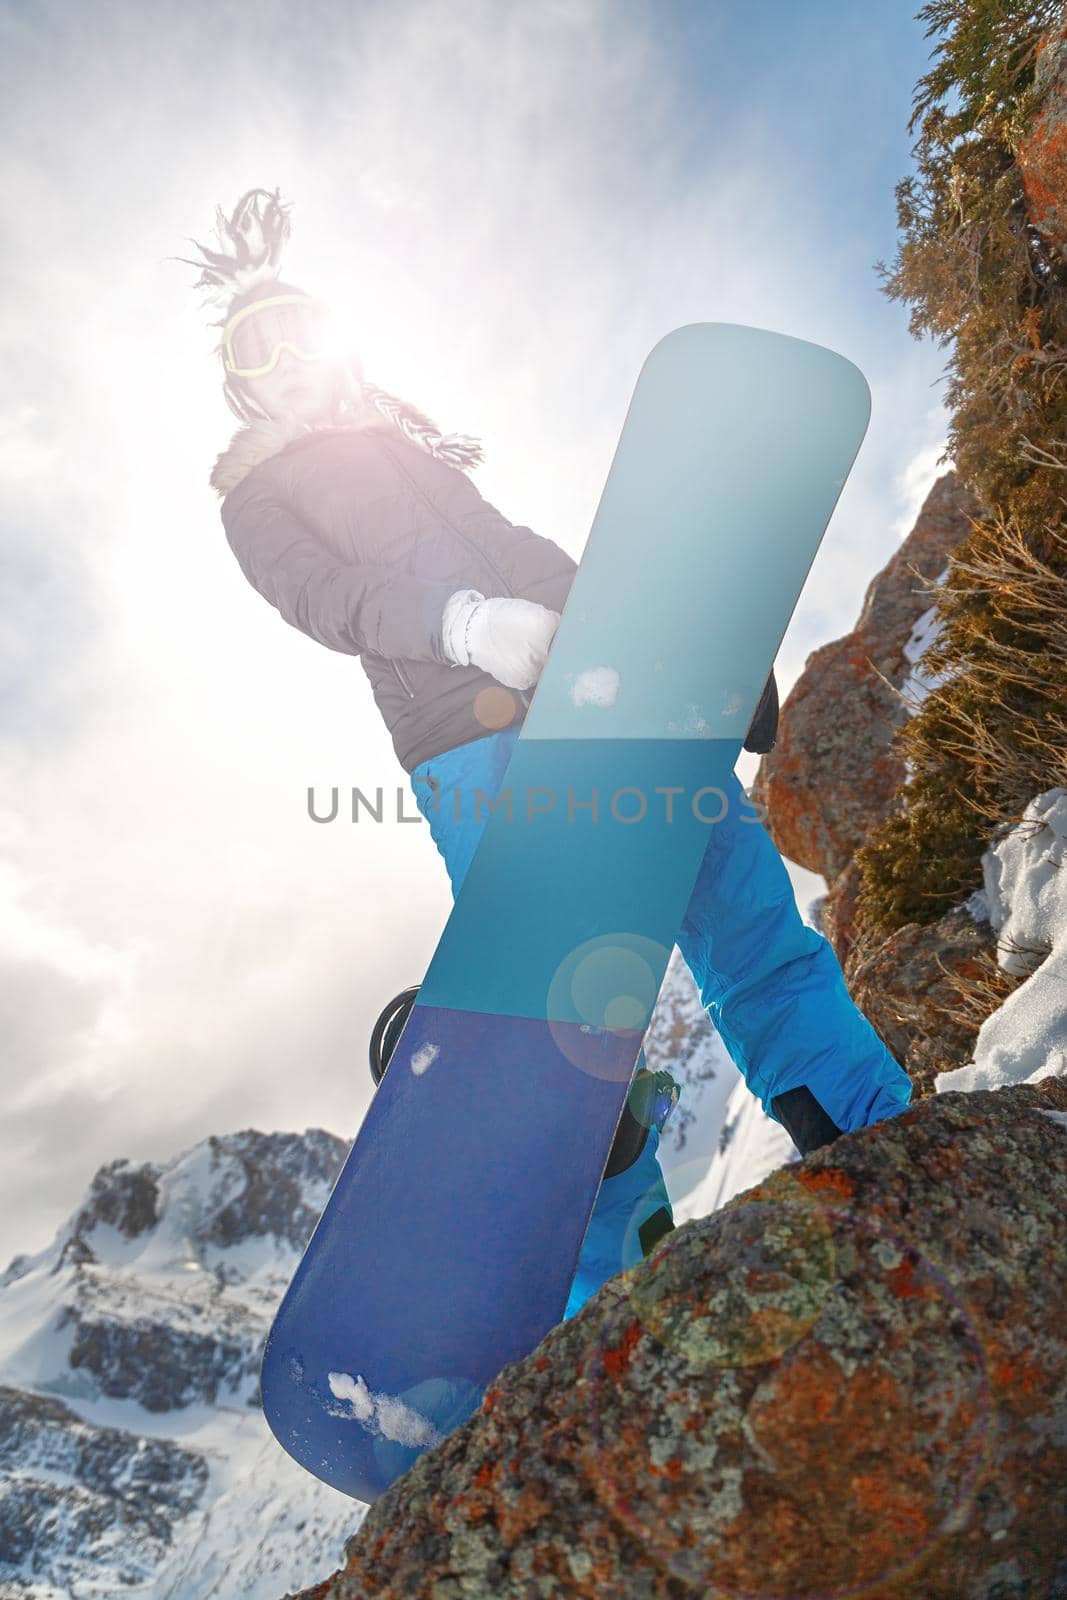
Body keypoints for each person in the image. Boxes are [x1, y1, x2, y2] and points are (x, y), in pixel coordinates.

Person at [180, 189, 912, 1322]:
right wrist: (463, 623)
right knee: (567, 1037)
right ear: (240, 382)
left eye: (299, 327)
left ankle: (875, 1137)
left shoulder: (409, 453)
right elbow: (328, 596)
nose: (286, 359)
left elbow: (543, 561)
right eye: (253, 345)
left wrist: (687, 656)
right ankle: (612, 1308)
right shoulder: (259, 496)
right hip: (475, 743)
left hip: (605, 707)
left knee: (751, 928)